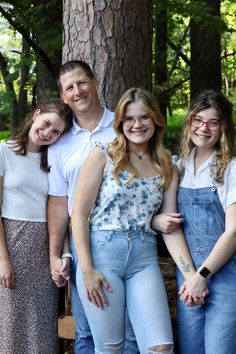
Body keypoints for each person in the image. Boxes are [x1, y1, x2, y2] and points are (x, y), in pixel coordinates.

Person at [71, 87, 205, 354]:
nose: (137, 125)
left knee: (161, 347)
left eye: (144, 117)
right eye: (129, 119)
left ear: (155, 120)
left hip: (143, 260)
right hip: (102, 256)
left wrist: (191, 275)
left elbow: (170, 225)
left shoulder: (166, 162)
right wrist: (86, 271)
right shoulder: (103, 155)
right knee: (110, 348)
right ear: (120, 123)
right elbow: (79, 214)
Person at [47, 60, 139, 354]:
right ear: (63, 96)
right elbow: (60, 204)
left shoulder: (124, 127)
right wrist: (59, 253)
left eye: (82, 83)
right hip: (81, 241)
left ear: (95, 82)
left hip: (126, 240)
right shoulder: (59, 143)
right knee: (86, 330)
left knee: (129, 330)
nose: (78, 91)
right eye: (69, 88)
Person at [153, 90, 236, 354]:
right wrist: (191, 277)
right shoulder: (179, 167)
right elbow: (170, 224)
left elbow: (233, 231)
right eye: (198, 120)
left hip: (224, 276)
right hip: (187, 278)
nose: (204, 128)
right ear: (189, 122)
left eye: (213, 122)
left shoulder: (230, 168)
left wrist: (203, 275)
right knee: (191, 349)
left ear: (223, 128)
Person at [0, 99, 72, 354]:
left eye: (56, 132)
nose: (48, 133)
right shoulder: (4, 151)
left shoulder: (54, 159)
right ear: (37, 114)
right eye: (47, 124)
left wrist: (63, 254)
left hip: (44, 250)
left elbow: (61, 211)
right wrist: (3, 260)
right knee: (10, 326)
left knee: (41, 328)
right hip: (12, 245)